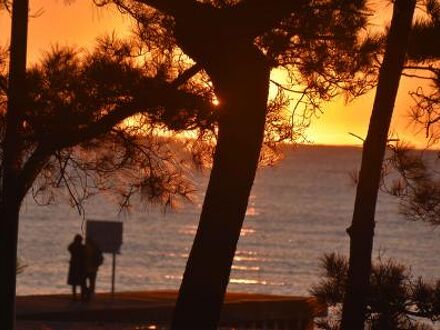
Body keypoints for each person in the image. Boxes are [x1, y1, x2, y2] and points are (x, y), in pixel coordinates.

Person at [67, 234, 86, 301]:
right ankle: (80, 297)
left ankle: (76, 296)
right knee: (80, 282)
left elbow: (69, 248)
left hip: (76, 266)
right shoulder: (82, 247)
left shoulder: (73, 247)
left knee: (76, 282)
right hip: (79, 266)